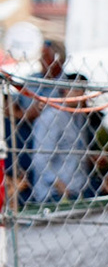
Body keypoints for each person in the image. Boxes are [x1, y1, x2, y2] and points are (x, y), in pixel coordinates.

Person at [20, 41, 88, 203]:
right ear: (65, 90)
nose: (82, 96)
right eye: (77, 90)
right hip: (55, 194)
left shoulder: (78, 117)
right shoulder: (52, 117)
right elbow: (40, 159)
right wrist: (58, 185)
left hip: (76, 190)